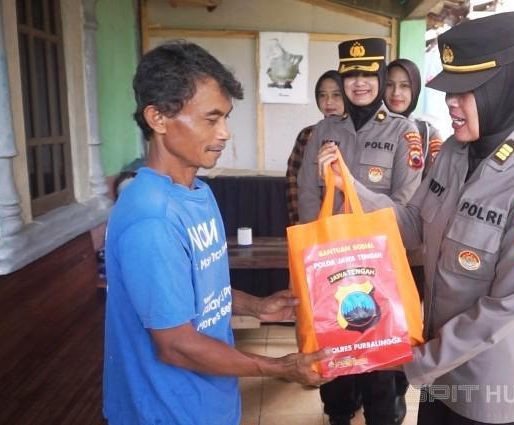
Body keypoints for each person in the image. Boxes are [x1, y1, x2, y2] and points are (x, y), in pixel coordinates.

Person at [319, 12, 514, 425]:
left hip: (494, 386)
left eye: (466, 90)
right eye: (451, 89)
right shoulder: (453, 152)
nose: (452, 101)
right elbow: (413, 223)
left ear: (503, 90)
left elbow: (506, 305)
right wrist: (351, 186)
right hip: (440, 371)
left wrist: (413, 360)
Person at [103, 41, 329, 425]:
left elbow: (202, 293)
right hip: (166, 411)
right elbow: (177, 346)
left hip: (210, 400)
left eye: (226, 118)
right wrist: (281, 367)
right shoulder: (151, 219)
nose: (225, 133)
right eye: (211, 119)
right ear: (158, 118)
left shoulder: (198, 192)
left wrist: (256, 306)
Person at [297, 38, 423, 425]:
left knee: (380, 377)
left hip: (379, 275)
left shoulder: (403, 133)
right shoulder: (323, 130)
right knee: (334, 370)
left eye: (368, 74)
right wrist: (313, 257)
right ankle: (338, 415)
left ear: (380, 77)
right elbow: (307, 194)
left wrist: (352, 185)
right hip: (330, 270)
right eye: (351, 74)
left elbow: (406, 214)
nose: (359, 82)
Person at [286, 70, 345, 225]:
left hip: (350, 226)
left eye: (336, 95)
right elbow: (292, 180)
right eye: (322, 95)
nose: (328, 102)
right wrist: (299, 221)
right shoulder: (307, 135)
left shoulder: (358, 135)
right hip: (315, 225)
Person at [384, 58, 443, 176]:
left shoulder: (428, 134)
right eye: (389, 85)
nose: (396, 92)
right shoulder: (370, 127)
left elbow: (437, 178)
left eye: (404, 86)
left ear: (415, 89)